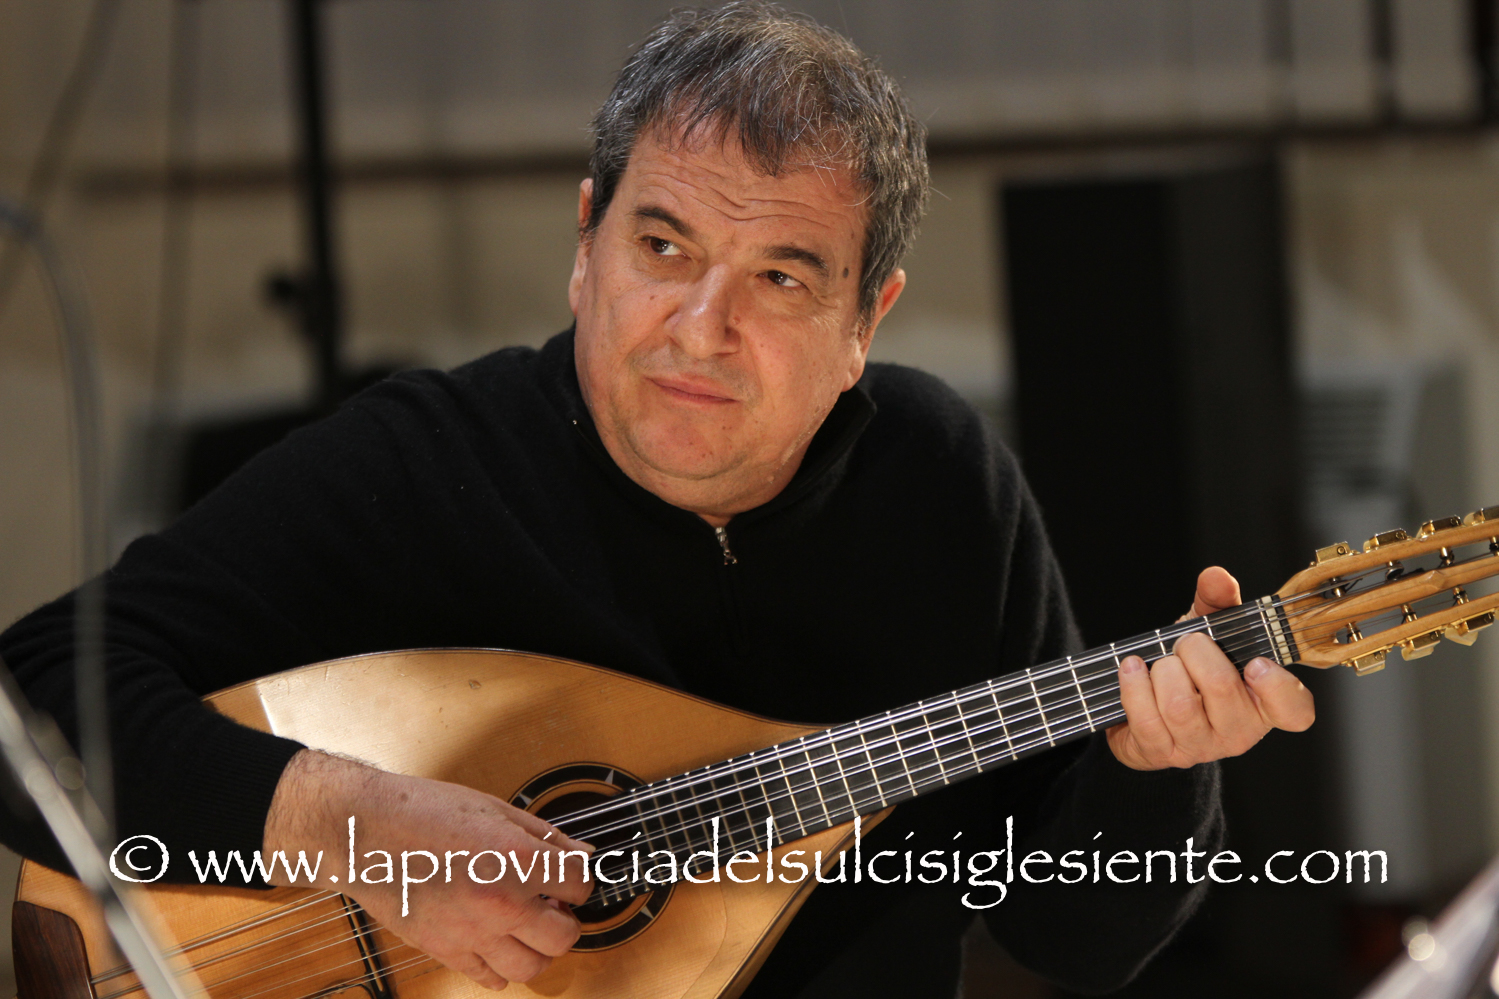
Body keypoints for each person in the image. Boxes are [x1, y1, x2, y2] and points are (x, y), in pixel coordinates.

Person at [0, 4, 1314, 996]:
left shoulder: (938, 487)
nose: (700, 327)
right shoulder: (427, 464)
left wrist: (1155, 774)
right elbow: (33, 698)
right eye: (663, 246)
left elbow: (1074, 939)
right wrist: (349, 827)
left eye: (782, 278)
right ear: (586, 246)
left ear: (866, 321)